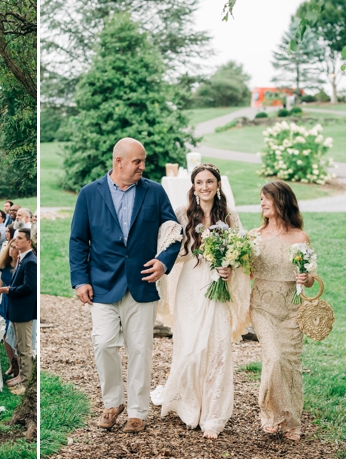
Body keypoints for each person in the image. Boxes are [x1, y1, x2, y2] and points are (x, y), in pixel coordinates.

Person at [69, 137, 181, 433]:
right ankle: (113, 402)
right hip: (102, 285)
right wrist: (80, 280)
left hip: (142, 283)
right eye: (137, 161)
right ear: (118, 161)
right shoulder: (89, 193)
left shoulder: (155, 193)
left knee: (140, 350)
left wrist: (163, 261)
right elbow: (79, 240)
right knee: (103, 342)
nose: (142, 167)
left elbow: (173, 231)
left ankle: (137, 412)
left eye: (143, 161)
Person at [153, 164, 249, 439]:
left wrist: (229, 267)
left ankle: (213, 415)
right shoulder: (183, 215)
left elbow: (241, 255)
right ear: (193, 187)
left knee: (217, 348)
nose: (204, 187)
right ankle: (189, 405)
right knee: (190, 349)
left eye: (209, 182)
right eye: (199, 182)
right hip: (191, 286)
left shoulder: (229, 216)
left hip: (218, 285)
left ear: (218, 185)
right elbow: (175, 254)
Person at [250, 181, 313, 442]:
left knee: (289, 365)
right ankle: (271, 415)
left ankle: (291, 421)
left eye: (267, 199)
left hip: (292, 310)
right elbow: (246, 273)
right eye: (261, 199)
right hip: (262, 306)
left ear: (282, 201)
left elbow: (310, 280)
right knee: (273, 358)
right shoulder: (254, 236)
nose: (262, 203)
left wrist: (305, 278)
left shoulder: (300, 237)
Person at [0, 228, 37, 393]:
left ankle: (26, 383)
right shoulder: (23, 259)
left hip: (24, 310)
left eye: (20, 238)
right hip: (17, 309)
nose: (16, 241)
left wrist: (9, 290)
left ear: (29, 241)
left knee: (24, 348)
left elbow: (29, 287)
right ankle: (21, 376)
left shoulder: (30, 261)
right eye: (15, 238)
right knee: (19, 347)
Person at [0, 227, 18, 385]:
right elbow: (2, 278)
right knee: (4, 335)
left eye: (14, 248)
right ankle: (11, 363)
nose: (11, 250)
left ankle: (19, 367)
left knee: (14, 334)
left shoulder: (21, 266)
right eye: (10, 247)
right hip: (5, 301)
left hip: (15, 300)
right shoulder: (6, 265)